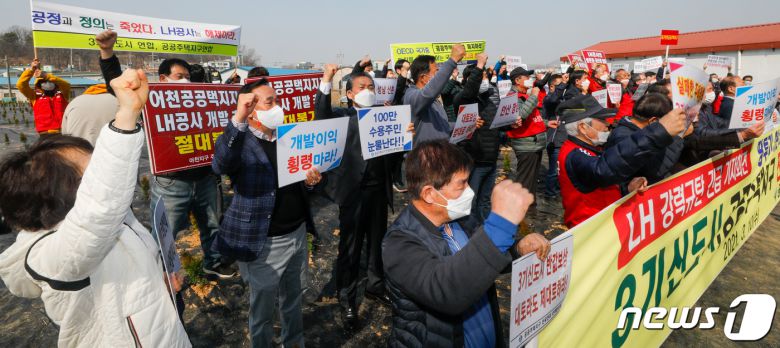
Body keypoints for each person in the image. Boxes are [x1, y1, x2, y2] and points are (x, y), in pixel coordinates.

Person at [0, 68, 191, 347]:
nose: (101, 175)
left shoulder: (118, 221)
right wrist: (126, 117)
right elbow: (98, 211)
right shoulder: (51, 255)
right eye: (91, 174)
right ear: (56, 197)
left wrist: (157, 283)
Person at [382, 139, 551, 348]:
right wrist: (500, 225)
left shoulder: (461, 219)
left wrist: (517, 249)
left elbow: (483, 260)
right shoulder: (399, 243)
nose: (470, 190)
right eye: (462, 183)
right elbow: (447, 291)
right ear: (429, 193)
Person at [95, 30, 232, 278]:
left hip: (205, 178)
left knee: (212, 224)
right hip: (171, 181)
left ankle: (213, 262)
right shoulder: (151, 100)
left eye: (189, 77)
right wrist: (107, 53)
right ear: (163, 78)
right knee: (165, 232)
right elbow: (118, 86)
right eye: (180, 76)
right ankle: (160, 274)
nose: (186, 82)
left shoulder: (200, 99)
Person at [212, 79, 322, 347]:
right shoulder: (241, 142)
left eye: (277, 100)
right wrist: (238, 117)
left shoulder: (289, 137)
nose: (278, 107)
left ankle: (293, 342)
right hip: (265, 242)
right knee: (261, 310)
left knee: (293, 300)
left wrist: (310, 181)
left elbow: (301, 179)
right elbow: (221, 164)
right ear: (250, 109)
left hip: (296, 234)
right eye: (270, 102)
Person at [314, 65, 410, 326]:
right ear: (349, 94)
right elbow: (321, 116)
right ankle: (346, 295)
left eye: (371, 88)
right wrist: (325, 80)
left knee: (377, 242)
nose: (368, 92)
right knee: (351, 247)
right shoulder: (344, 117)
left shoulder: (385, 116)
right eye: (362, 88)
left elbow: (393, 154)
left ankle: (375, 286)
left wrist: (404, 137)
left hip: (379, 191)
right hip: (353, 193)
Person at [557, 95, 687, 228]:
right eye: (601, 120)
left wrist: (627, 188)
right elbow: (602, 171)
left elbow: (602, 181)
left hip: (606, 223)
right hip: (591, 231)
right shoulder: (575, 154)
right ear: (583, 127)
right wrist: (657, 133)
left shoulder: (589, 147)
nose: (607, 124)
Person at [605, 93, 685, 193]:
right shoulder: (624, 137)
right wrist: (678, 136)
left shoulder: (639, 131)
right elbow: (656, 169)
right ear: (654, 121)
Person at [453, 53, 499, 222]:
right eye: (482, 77)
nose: (485, 81)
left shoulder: (489, 100)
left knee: (485, 202)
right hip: (474, 161)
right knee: (469, 203)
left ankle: (484, 233)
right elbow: (469, 91)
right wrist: (479, 65)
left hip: (491, 159)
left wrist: (510, 123)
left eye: (486, 77)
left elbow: (496, 124)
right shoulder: (463, 99)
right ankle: (469, 236)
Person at [506, 66, 553, 205]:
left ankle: (529, 208)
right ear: (517, 80)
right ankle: (521, 213)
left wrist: (547, 123)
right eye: (527, 77)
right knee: (525, 182)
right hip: (526, 145)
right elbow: (521, 115)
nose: (530, 80)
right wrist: (534, 96)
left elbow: (533, 118)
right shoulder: (512, 97)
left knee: (532, 181)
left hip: (534, 143)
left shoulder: (525, 95)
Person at [404, 44, 466, 143]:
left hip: (442, 153)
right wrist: (452, 60)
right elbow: (428, 93)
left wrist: (466, 124)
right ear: (423, 78)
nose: (440, 75)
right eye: (437, 71)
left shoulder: (435, 100)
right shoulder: (412, 96)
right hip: (425, 156)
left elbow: (442, 126)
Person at [16, 58, 71, 135]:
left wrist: (45, 75)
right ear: (39, 85)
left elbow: (66, 85)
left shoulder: (63, 95)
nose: (47, 83)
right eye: (43, 82)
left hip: (63, 132)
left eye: (49, 81)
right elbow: (20, 85)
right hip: (45, 134)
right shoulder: (34, 97)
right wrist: (32, 70)